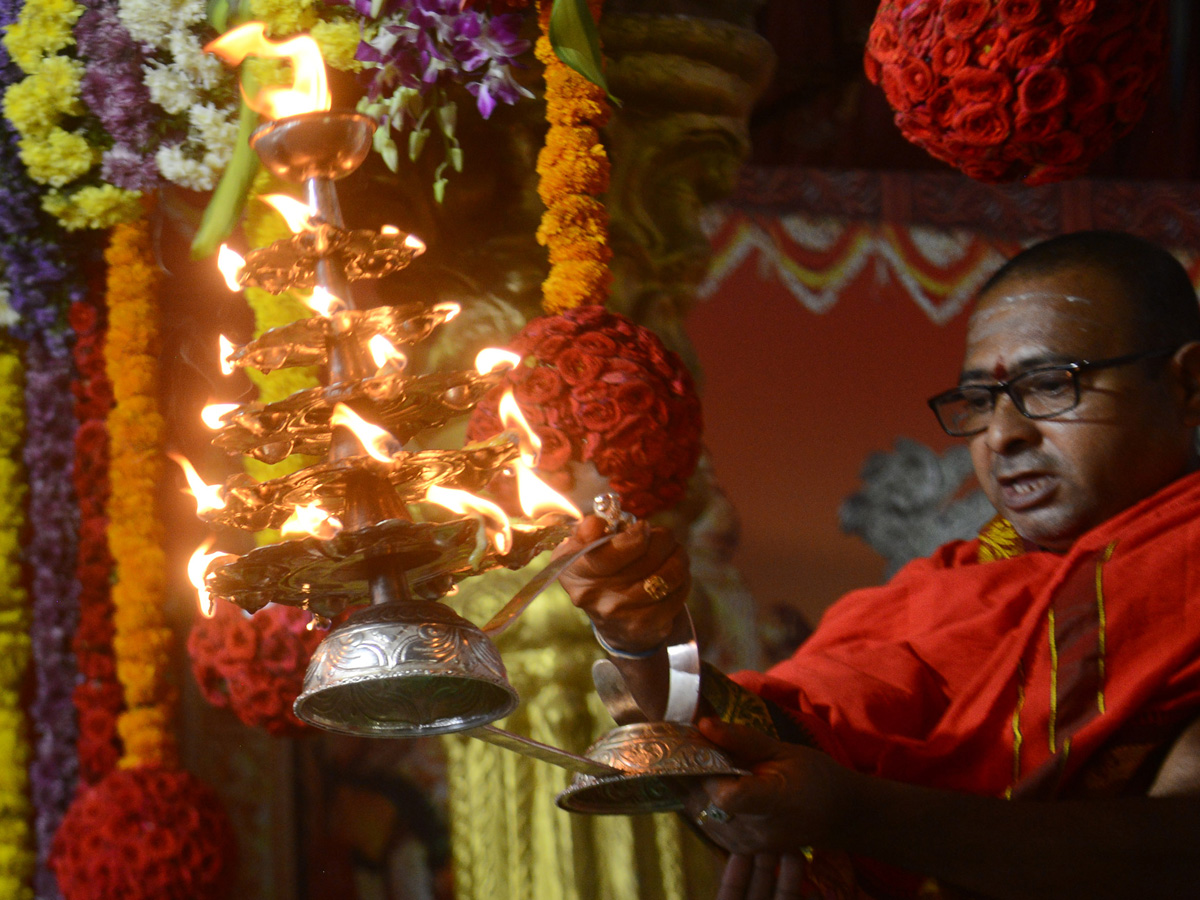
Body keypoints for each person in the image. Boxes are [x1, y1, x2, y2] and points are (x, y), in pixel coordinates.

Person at [555, 230, 1200, 900]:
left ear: (1189, 385)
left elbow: (1180, 850)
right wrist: (644, 638)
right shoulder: (954, 587)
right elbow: (774, 746)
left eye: (1048, 385)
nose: (1003, 435)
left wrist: (859, 815)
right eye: (981, 401)